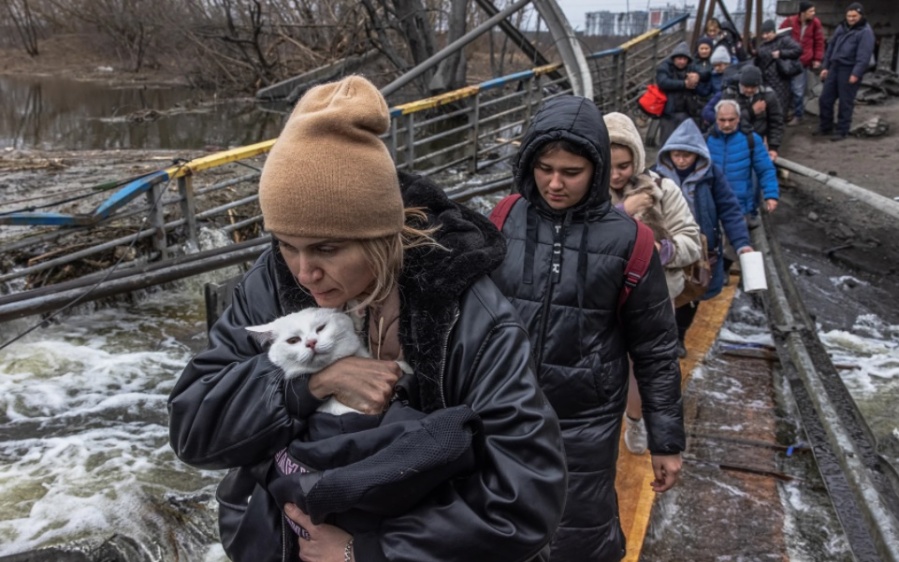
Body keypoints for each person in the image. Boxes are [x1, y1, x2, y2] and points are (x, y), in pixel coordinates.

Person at [167, 75, 568, 562]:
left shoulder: (469, 314)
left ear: (380, 238)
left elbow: (526, 499)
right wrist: (308, 385)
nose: (304, 271)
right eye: (286, 244)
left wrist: (370, 551)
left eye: (327, 248)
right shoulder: (271, 285)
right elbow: (194, 432)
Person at [489, 95, 686, 562]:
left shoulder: (630, 241)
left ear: (595, 169)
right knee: (498, 527)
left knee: (577, 532)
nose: (555, 183)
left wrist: (666, 441)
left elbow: (656, 348)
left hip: (585, 419)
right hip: (502, 408)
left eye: (571, 172)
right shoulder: (504, 218)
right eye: (544, 167)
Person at [604, 111, 702, 454]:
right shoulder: (585, 194)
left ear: (637, 160)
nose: (616, 175)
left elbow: (692, 240)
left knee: (639, 365)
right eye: (609, 165)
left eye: (624, 166)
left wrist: (661, 251)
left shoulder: (663, 190)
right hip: (602, 298)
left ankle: (635, 420)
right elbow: (582, 244)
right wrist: (623, 213)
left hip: (654, 297)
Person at [652, 118, 753, 356]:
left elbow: (729, 208)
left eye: (687, 155)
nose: (681, 160)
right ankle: (659, 337)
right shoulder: (656, 176)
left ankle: (679, 336)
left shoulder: (711, 176)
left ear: (697, 155)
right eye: (677, 155)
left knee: (692, 292)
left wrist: (742, 244)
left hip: (700, 246)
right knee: (663, 291)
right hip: (667, 245)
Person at [817, 2, 876, 141]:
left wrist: (856, 73)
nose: (851, 19)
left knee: (845, 102)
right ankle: (825, 126)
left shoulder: (865, 32)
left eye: (854, 16)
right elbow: (831, 47)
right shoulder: (841, 28)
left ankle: (842, 130)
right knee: (825, 99)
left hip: (849, 69)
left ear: (860, 15)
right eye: (849, 16)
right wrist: (826, 66)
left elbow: (864, 56)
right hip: (835, 67)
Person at [703, 65, 785, 162]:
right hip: (735, 141)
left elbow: (776, 121)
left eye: (753, 87)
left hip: (759, 141)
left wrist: (773, 147)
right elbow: (728, 120)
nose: (749, 90)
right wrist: (751, 112)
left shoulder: (768, 95)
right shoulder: (730, 93)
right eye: (746, 86)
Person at [779, 1, 825, 124]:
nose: (813, 14)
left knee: (798, 90)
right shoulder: (789, 22)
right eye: (811, 11)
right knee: (785, 88)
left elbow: (819, 42)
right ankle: (784, 113)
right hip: (788, 60)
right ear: (802, 12)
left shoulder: (815, 24)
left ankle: (798, 115)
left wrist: (817, 59)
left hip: (802, 61)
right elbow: (779, 37)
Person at [755, 19, 803, 130]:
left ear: (774, 31)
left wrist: (781, 53)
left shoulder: (784, 40)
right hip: (766, 81)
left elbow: (798, 50)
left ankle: (777, 134)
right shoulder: (763, 46)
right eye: (764, 34)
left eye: (768, 33)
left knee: (779, 108)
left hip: (781, 81)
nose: (765, 36)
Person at [656, 41, 704, 146]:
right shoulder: (665, 67)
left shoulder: (692, 67)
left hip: (687, 112)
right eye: (679, 59)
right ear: (674, 58)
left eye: (684, 59)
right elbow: (663, 82)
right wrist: (684, 84)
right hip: (668, 113)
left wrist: (698, 77)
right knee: (666, 144)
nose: (682, 62)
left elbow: (705, 74)